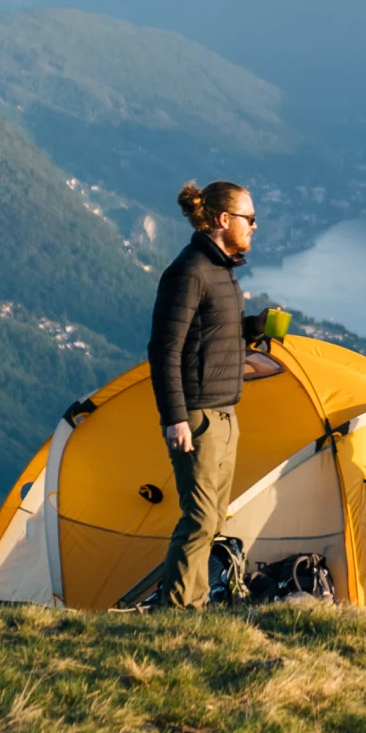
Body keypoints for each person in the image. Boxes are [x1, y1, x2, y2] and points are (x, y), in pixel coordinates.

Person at [148, 180, 256, 609]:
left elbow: (209, 336)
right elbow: (164, 349)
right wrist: (175, 418)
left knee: (212, 519)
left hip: (225, 413)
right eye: (248, 218)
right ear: (223, 220)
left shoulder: (222, 269)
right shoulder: (189, 271)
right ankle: (175, 609)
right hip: (197, 416)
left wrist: (252, 331)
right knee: (198, 518)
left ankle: (193, 603)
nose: (254, 226)